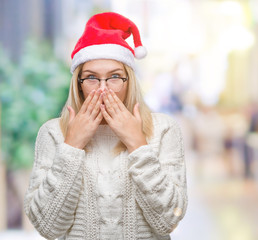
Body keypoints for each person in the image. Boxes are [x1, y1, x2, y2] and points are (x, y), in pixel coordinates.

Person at [24, 12, 187, 240]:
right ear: (78, 85)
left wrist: (137, 144)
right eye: (91, 77)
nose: (103, 89)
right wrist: (72, 146)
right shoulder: (52, 133)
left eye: (114, 77)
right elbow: (48, 228)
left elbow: (170, 219)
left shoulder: (164, 129)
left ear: (129, 80)